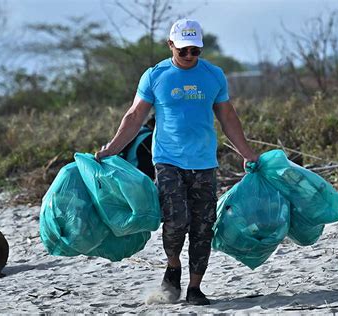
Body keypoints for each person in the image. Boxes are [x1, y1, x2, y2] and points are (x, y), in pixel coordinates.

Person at [95, 18, 258, 305]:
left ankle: (195, 288)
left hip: (204, 161)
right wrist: (112, 149)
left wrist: (247, 153)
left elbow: (228, 118)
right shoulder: (155, 75)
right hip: (168, 160)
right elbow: (134, 117)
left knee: (203, 225)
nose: (190, 56)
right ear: (171, 45)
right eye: (183, 50)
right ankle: (173, 266)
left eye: (195, 50)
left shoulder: (214, 75)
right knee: (176, 220)